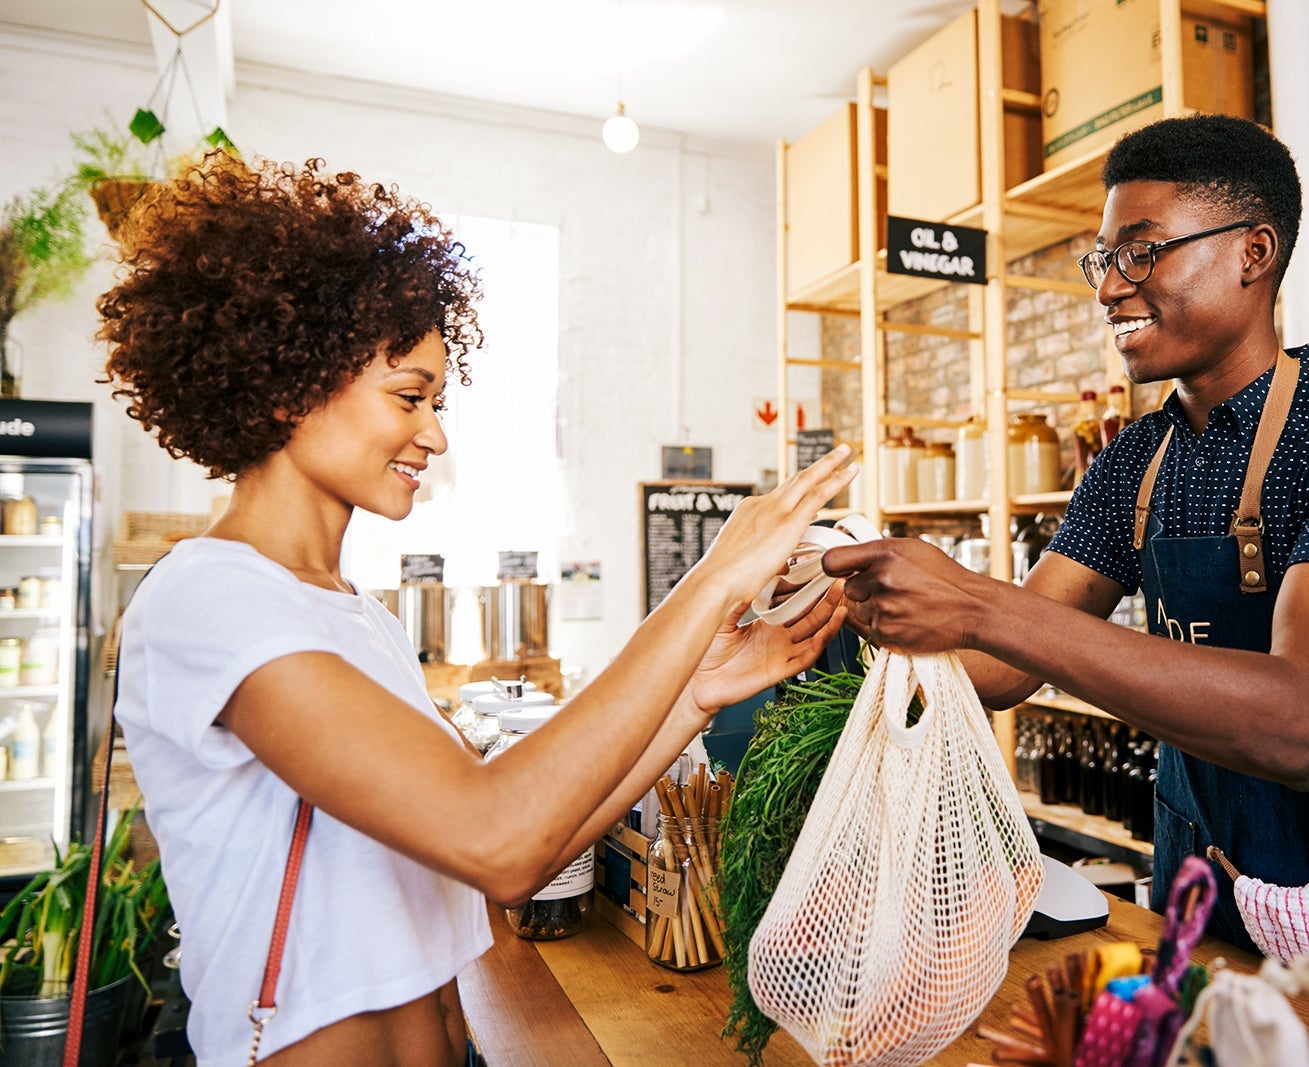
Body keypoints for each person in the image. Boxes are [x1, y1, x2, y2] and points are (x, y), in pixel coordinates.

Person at [97, 154, 857, 1066]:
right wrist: (707, 581)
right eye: (409, 396)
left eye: (439, 400)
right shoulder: (208, 598)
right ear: (287, 388)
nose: (436, 433)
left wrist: (694, 693)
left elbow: (532, 839)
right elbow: (495, 836)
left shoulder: (358, 617)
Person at [821, 115, 1309, 1037]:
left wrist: (976, 601)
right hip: (1205, 892)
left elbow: (1306, 722)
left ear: (1253, 252)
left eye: (1141, 253)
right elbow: (1012, 664)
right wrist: (845, 642)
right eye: (1100, 260)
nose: (1110, 289)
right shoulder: (1132, 462)